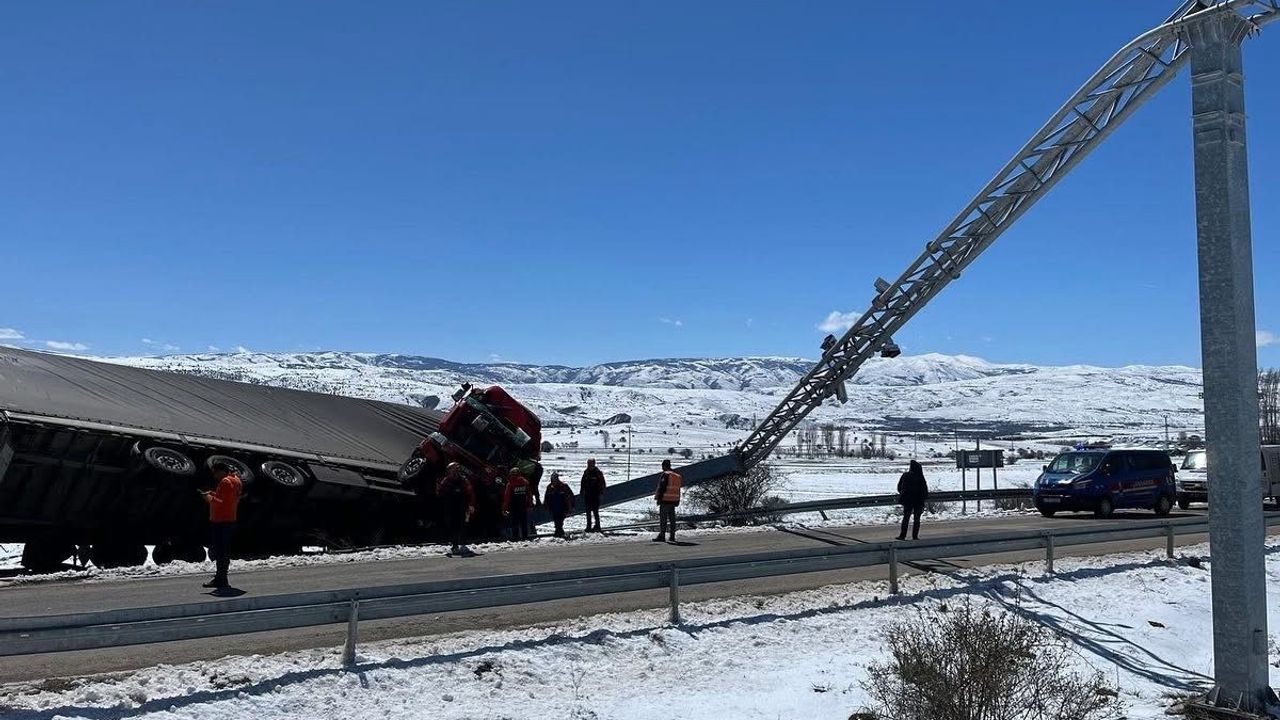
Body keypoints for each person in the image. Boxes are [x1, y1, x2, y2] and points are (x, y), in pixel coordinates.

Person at [200, 462, 243, 589]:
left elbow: (220, 501)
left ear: (222, 471)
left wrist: (208, 497)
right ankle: (221, 577)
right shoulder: (236, 480)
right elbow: (227, 497)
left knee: (220, 551)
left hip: (221, 520)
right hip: (230, 518)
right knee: (224, 551)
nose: (214, 475)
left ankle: (221, 579)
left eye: (215, 472)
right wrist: (214, 493)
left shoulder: (225, 481)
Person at [437, 462, 476, 555]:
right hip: (449, 507)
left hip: (461, 506)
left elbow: (470, 492)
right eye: (451, 470)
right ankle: (455, 544)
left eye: (454, 470)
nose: (452, 472)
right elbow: (440, 492)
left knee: (460, 525)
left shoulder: (463, 480)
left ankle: (459, 543)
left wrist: (471, 504)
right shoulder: (446, 480)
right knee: (451, 525)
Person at [897, 459, 929, 541]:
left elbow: (899, 487)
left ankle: (902, 535)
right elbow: (925, 490)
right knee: (917, 519)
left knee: (906, 518)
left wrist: (903, 494)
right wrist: (923, 498)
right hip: (918, 501)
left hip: (907, 500)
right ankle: (915, 536)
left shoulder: (905, 475)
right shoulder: (920, 476)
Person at [653, 459, 682, 543]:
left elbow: (662, 488)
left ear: (664, 466)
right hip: (674, 500)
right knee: (672, 519)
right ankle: (672, 536)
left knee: (663, 519)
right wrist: (677, 500)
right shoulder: (677, 476)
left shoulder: (665, 475)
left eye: (662, 466)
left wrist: (659, 498)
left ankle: (662, 536)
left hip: (665, 500)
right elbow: (678, 490)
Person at [502, 467, 534, 541]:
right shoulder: (525, 482)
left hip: (514, 507)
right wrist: (530, 505)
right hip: (523, 506)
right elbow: (529, 495)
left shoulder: (510, 484)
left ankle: (515, 538)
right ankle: (525, 537)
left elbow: (507, 498)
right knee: (524, 522)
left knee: (514, 523)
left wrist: (504, 509)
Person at [543, 471, 575, 538]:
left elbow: (571, 496)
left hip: (562, 506)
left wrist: (571, 505)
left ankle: (559, 531)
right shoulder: (549, 487)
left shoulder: (564, 486)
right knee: (556, 519)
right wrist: (545, 505)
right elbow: (546, 497)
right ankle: (559, 531)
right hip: (554, 507)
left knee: (560, 520)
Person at [579, 459, 607, 532]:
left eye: (590, 464)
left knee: (595, 511)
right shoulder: (586, 472)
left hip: (595, 495)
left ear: (594, 464)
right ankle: (588, 526)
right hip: (587, 495)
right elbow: (582, 482)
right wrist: (582, 491)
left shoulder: (598, 473)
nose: (589, 465)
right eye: (588, 463)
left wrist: (601, 493)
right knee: (588, 512)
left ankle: (597, 526)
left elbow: (602, 483)